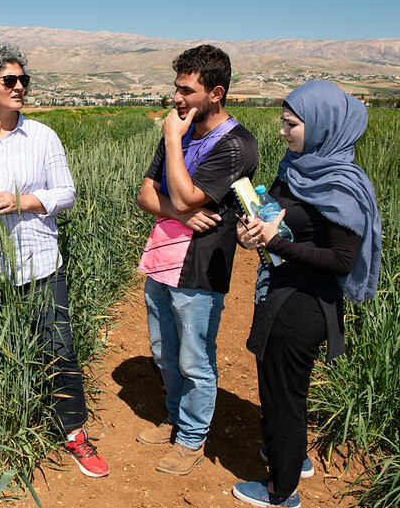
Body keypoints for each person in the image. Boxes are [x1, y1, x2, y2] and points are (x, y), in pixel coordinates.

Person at [0, 43, 109, 478]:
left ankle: (74, 434)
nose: (19, 87)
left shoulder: (44, 136)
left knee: (59, 350)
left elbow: (66, 193)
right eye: (9, 81)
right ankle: (2, 429)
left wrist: (24, 201)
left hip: (39, 263)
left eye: (23, 80)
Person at [232, 80, 382, 507]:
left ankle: (282, 492)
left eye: (291, 124)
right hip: (280, 290)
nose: (283, 131)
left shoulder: (339, 184)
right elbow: (277, 217)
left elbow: (341, 260)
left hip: (304, 305)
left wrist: (275, 243)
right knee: (277, 385)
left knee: (284, 396)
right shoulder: (298, 166)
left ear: (321, 126)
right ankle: (291, 457)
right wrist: (254, 235)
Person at [136, 44, 258, 476]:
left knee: (194, 358)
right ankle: (174, 416)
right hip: (162, 258)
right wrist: (179, 212)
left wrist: (172, 140)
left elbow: (186, 192)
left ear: (216, 93)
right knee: (163, 350)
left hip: (201, 268)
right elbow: (145, 194)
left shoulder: (238, 145)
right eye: (176, 88)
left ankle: (191, 438)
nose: (177, 99)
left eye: (186, 91)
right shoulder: (181, 132)